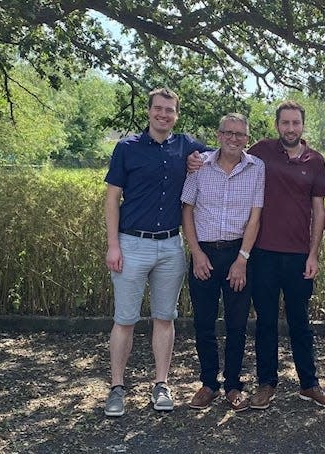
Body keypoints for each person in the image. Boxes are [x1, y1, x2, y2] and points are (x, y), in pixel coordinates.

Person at [103, 87, 213, 417]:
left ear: (177, 114)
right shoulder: (127, 148)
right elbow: (111, 199)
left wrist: (200, 159)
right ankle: (117, 387)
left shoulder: (188, 146)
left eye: (170, 110)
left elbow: (224, 153)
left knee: (165, 318)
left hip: (170, 246)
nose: (163, 114)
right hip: (131, 243)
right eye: (158, 109)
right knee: (124, 320)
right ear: (149, 111)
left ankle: (161, 384)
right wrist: (113, 245)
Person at [247, 101, 325, 409]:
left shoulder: (315, 161)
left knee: (301, 322)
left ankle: (309, 384)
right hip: (262, 254)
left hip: (299, 255)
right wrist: (196, 158)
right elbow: (227, 155)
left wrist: (314, 254)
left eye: (295, 123)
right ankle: (266, 384)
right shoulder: (261, 151)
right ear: (277, 125)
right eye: (285, 123)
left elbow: (319, 209)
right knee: (266, 322)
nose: (290, 128)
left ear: (303, 125)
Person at [182, 113, 265, 412]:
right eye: (228, 133)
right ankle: (208, 384)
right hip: (204, 252)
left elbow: (256, 216)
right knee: (203, 322)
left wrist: (242, 259)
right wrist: (196, 253)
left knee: (237, 324)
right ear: (218, 135)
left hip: (238, 254)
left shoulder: (257, 168)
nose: (233, 138)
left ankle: (232, 384)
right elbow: (187, 210)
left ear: (247, 138)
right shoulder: (199, 164)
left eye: (239, 134)